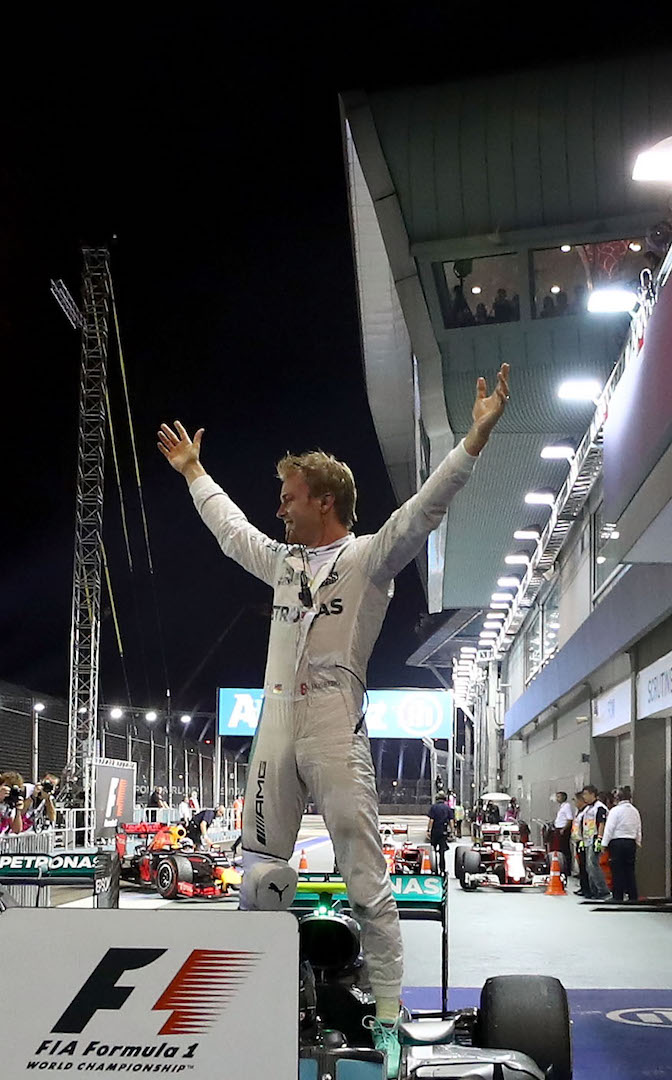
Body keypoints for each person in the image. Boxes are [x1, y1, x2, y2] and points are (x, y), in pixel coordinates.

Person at [156, 361, 510, 1076]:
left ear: (324, 501)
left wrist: (472, 441)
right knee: (258, 876)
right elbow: (230, 531)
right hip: (276, 724)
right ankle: (259, 1000)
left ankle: (388, 1015)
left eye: (289, 497)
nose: (279, 509)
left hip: (334, 722)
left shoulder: (369, 557)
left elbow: (425, 509)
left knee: (363, 873)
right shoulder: (283, 563)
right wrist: (194, 472)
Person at [604, 786, 640, 902]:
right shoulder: (634, 811)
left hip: (617, 842)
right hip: (631, 842)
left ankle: (618, 896)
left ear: (617, 798)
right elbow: (638, 827)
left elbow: (609, 828)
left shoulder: (615, 811)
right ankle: (633, 895)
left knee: (617, 870)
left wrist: (604, 843)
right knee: (630, 869)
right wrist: (638, 841)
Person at [574, 786, 609, 900]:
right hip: (587, 839)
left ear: (592, 794)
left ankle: (602, 890)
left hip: (594, 839)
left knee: (593, 865)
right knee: (589, 866)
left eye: (585, 794)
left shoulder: (599, 808)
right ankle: (593, 890)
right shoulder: (588, 808)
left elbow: (601, 823)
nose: (584, 797)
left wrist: (599, 838)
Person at [426, 793, 454, 875]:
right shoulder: (447, 808)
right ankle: (442, 869)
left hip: (435, 832)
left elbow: (431, 820)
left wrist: (428, 830)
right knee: (442, 852)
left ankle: (434, 868)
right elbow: (451, 821)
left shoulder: (434, 807)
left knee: (433, 851)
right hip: (443, 832)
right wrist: (452, 831)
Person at [550, 791, 575, 883]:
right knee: (559, 848)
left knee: (564, 849)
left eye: (559, 797)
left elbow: (569, 819)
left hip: (563, 830)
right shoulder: (562, 807)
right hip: (558, 829)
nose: (557, 798)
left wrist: (564, 829)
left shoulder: (567, 806)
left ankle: (567, 869)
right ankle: (561, 866)